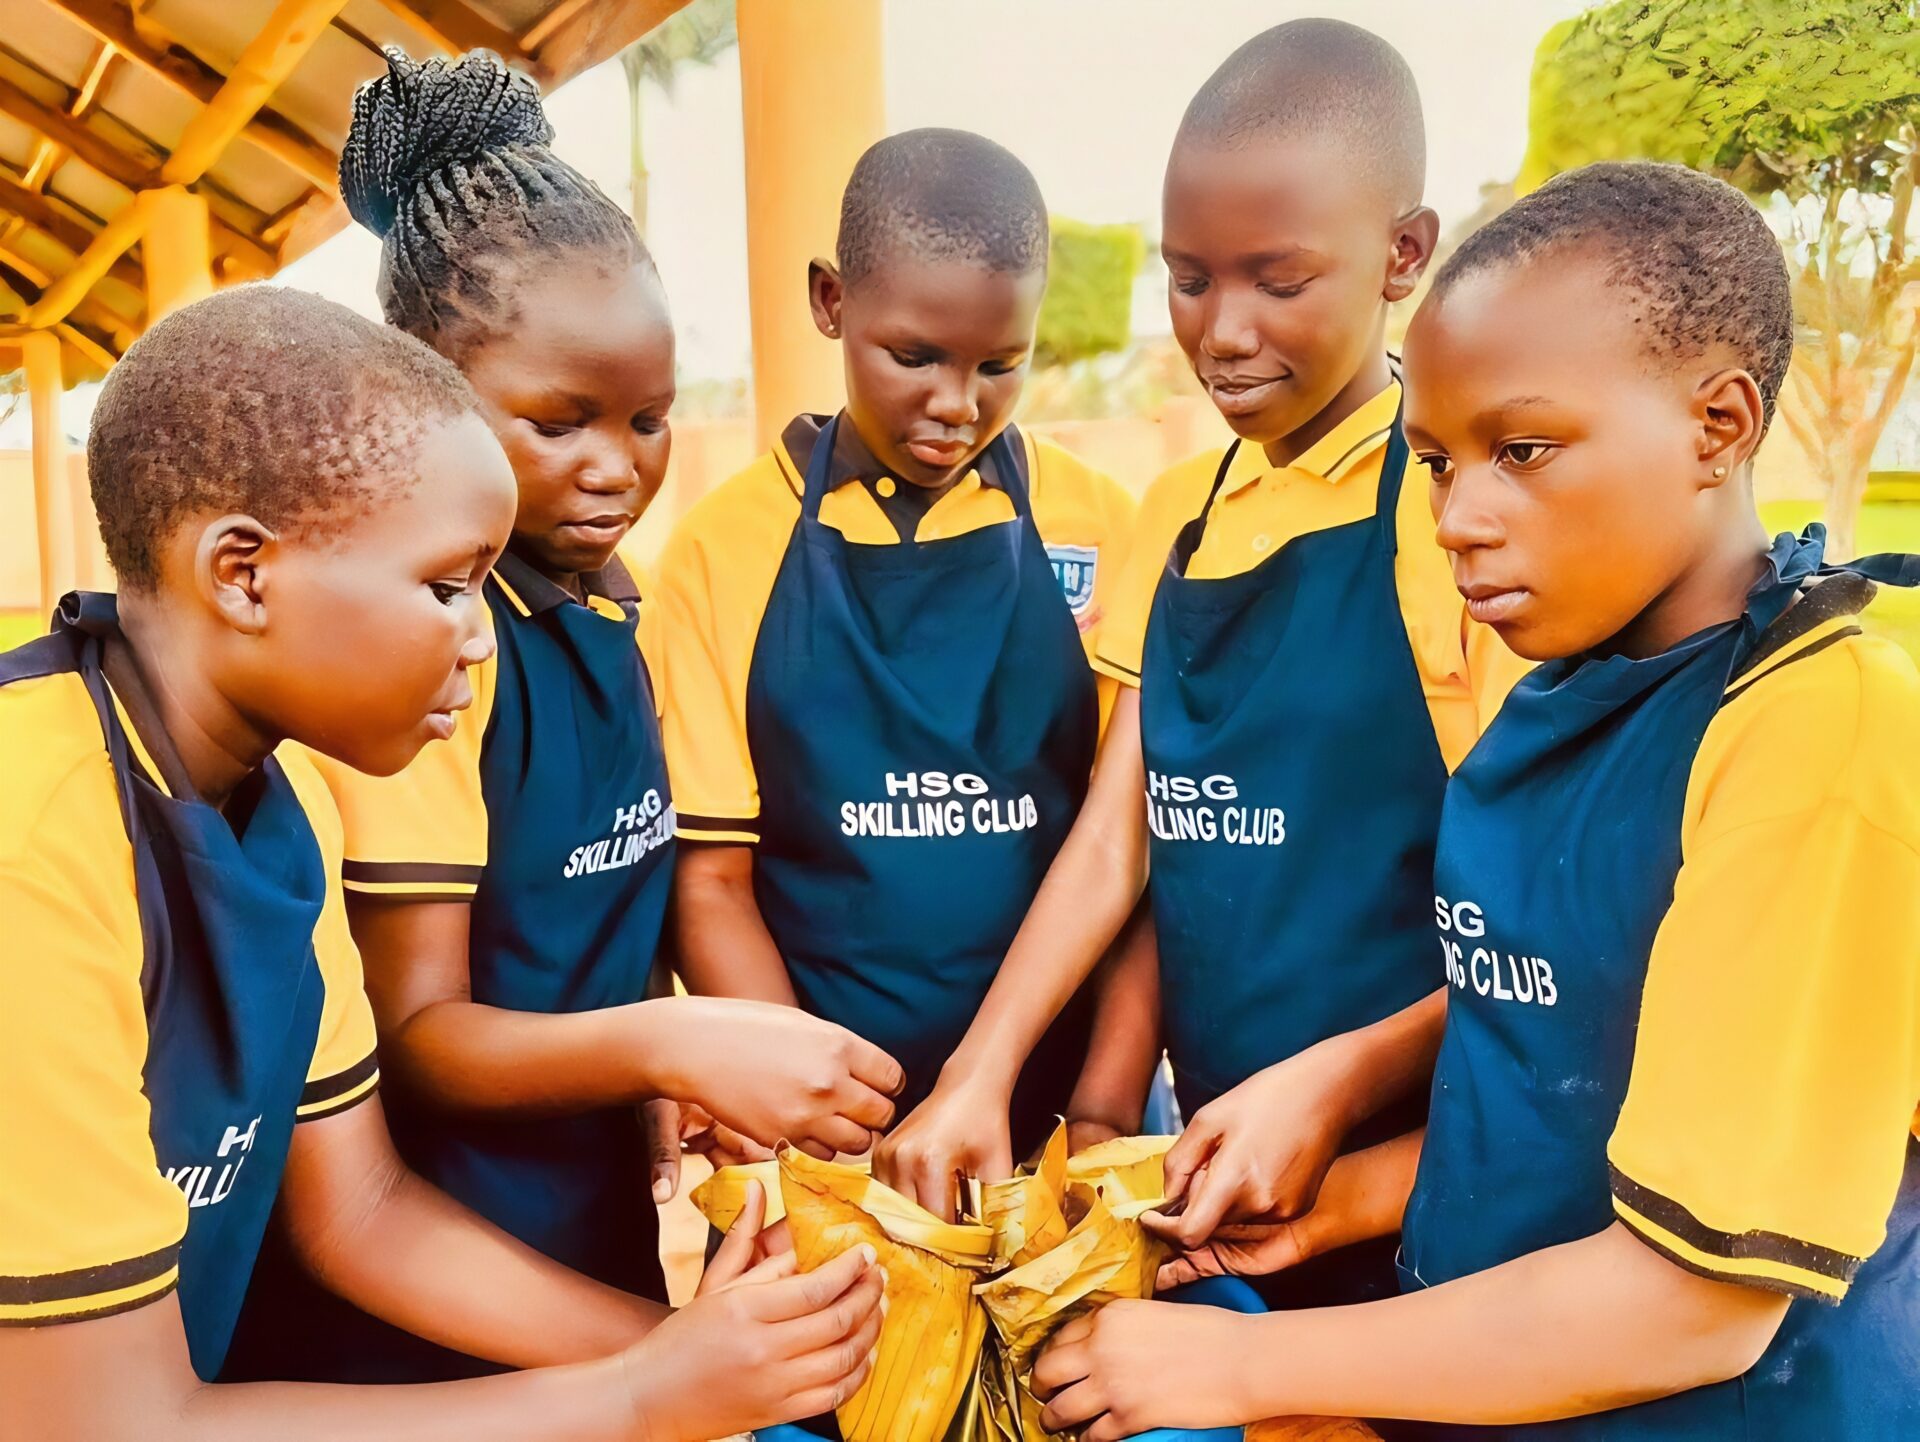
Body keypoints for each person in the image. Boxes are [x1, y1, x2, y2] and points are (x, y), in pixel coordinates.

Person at [1030, 161, 1920, 1441]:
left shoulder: (1813, 728)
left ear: (1718, 425)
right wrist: (1339, 1190)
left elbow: (1696, 1301)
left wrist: (1241, 1371)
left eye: (1524, 450)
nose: (1459, 517)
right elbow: (1564, 1054)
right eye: (1438, 461)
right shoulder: (1566, 687)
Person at [0, 287, 885, 1442]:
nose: (479, 634)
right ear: (244, 574)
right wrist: (635, 1395)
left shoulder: (281, 803)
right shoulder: (36, 840)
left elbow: (359, 1209)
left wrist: (704, 1348)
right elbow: (103, 1420)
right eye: (446, 585)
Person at [224, 49, 905, 1386]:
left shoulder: (615, 607)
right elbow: (419, 1040)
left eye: (649, 417)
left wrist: (663, 1074)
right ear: (425, 389)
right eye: (557, 421)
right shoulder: (432, 660)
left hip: (587, 1239)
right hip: (433, 1302)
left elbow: (598, 914)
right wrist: (670, 1035)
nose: (617, 466)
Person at [879, 22, 1528, 1308]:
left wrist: (1340, 1083)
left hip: (1437, 1162)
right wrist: (994, 1074)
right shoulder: (1177, 508)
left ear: (1404, 253)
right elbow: (1127, 833)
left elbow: (1549, 937)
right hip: (1220, 1163)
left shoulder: (1456, 518)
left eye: (1278, 280)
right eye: (1188, 278)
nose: (1223, 331)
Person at [654, 127, 1138, 1187]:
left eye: (1000, 364)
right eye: (914, 356)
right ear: (832, 302)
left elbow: (1127, 856)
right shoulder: (722, 549)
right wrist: (822, 1127)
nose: (957, 402)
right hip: (817, 1142)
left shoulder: (1101, 525)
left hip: (1052, 1133)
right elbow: (711, 881)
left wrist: (1097, 1114)